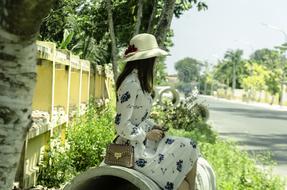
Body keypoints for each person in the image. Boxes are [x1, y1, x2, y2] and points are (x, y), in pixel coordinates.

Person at [114, 33, 198, 190]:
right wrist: (146, 134)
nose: (156, 61)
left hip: (145, 144)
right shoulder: (130, 84)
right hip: (133, 151)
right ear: (146, 60)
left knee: (189, 146)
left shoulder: (139, 81)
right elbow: (121, 125)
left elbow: (139, 118)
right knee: (184, 185)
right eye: (154, 58)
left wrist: (153, 127)